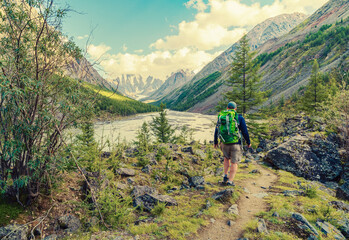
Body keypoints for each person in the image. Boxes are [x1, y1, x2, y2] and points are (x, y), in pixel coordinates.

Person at [214, 101, 251, 186]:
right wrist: (248, 142)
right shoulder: (239, 117)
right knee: (234, 162)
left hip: (224, 142)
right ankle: (230, 181)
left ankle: (225, 175)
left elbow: (217, 129)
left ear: (227, 108)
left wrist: (216, 141)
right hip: (236, 143)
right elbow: (245, 131)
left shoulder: (222, 117)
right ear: (235, 109)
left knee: (226, 159)